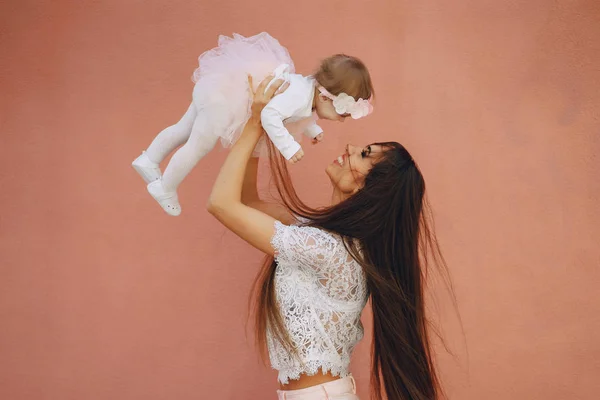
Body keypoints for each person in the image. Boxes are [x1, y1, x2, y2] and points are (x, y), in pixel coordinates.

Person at [207, 75, 451, 400]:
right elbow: (247, 201)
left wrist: (253, 124)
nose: (350, 149)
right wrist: (263, 131)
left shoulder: (328, 250)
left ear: (370, 189)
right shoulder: (323, 237)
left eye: (364, 154)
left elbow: (221, 204)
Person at [132, 32, 373, 216]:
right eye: (342, 114)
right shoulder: (300, 98)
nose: (342, 120)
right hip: (222, 102)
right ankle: (165, 187)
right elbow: (269, 115)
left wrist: (313, 129)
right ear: (325, 97)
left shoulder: (307, 92)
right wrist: (288, 146)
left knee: (183, 128)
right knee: (198, 145)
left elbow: (303, 115)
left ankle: (148, 159)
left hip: (218, 87)